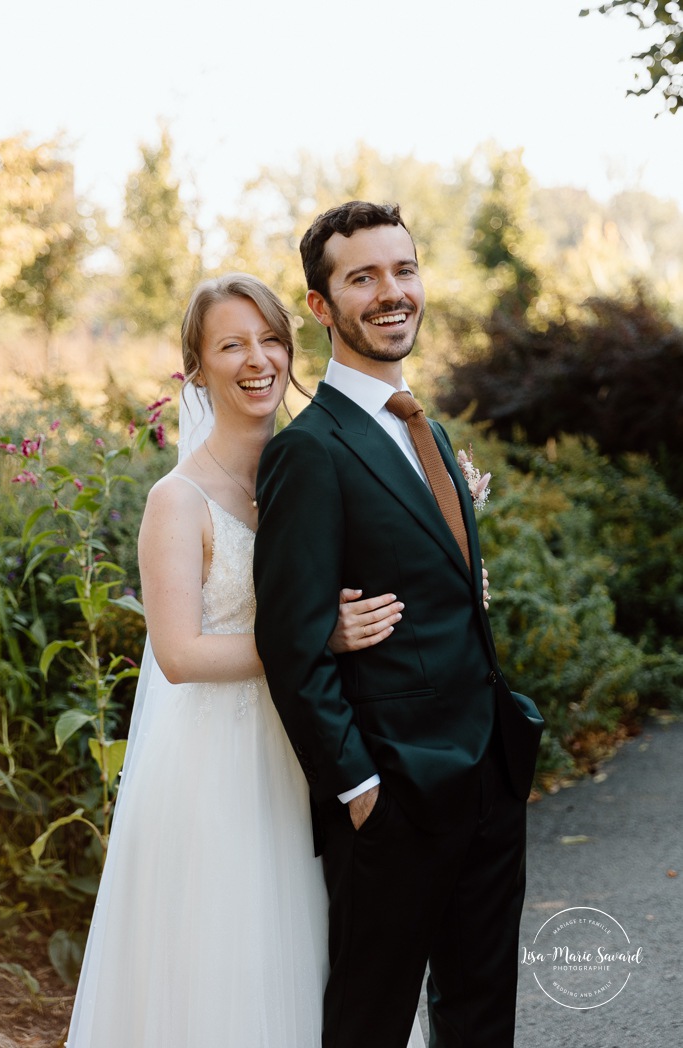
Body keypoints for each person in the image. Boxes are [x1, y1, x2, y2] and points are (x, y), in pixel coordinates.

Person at [65, 273, 425, 1048]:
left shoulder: (320, 462)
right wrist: (311, 640)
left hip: (319, 744)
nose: (257, 359)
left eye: (270, 339)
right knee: (235, 965)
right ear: (195, 369)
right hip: (220, 763)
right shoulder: (178, 500)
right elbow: (180, 652)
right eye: (231, 345)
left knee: (331, 961)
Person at [253, 202, 545, 1048]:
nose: (392, 293)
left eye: (403, 270)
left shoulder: (428, 428)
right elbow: (291, 646)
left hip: (488, 772)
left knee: (483, 1012)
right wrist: (358, 791)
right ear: (321, 306)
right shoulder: (310, 451)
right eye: (363, 277)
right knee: (370, 1024)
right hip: (393, 796)